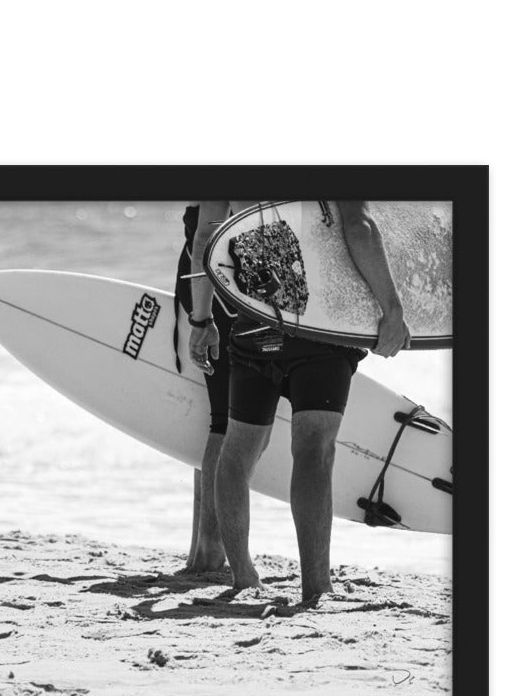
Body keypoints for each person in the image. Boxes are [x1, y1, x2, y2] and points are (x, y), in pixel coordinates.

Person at [188, 201, 410, 601]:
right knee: (314, 449)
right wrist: (392, 308)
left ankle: (243, 577)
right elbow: (359, 227)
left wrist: (201, 320)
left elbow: (206, 238)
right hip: (319, 324)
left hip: (255, 319)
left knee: (238, 450)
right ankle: (316, 586)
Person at [175, 201, 258, 573]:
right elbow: (209, 233)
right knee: (225, 420)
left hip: (208, 276)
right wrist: (201, 317)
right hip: (217, 282)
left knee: (218, 416)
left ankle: (202, 547)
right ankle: (210, 548)